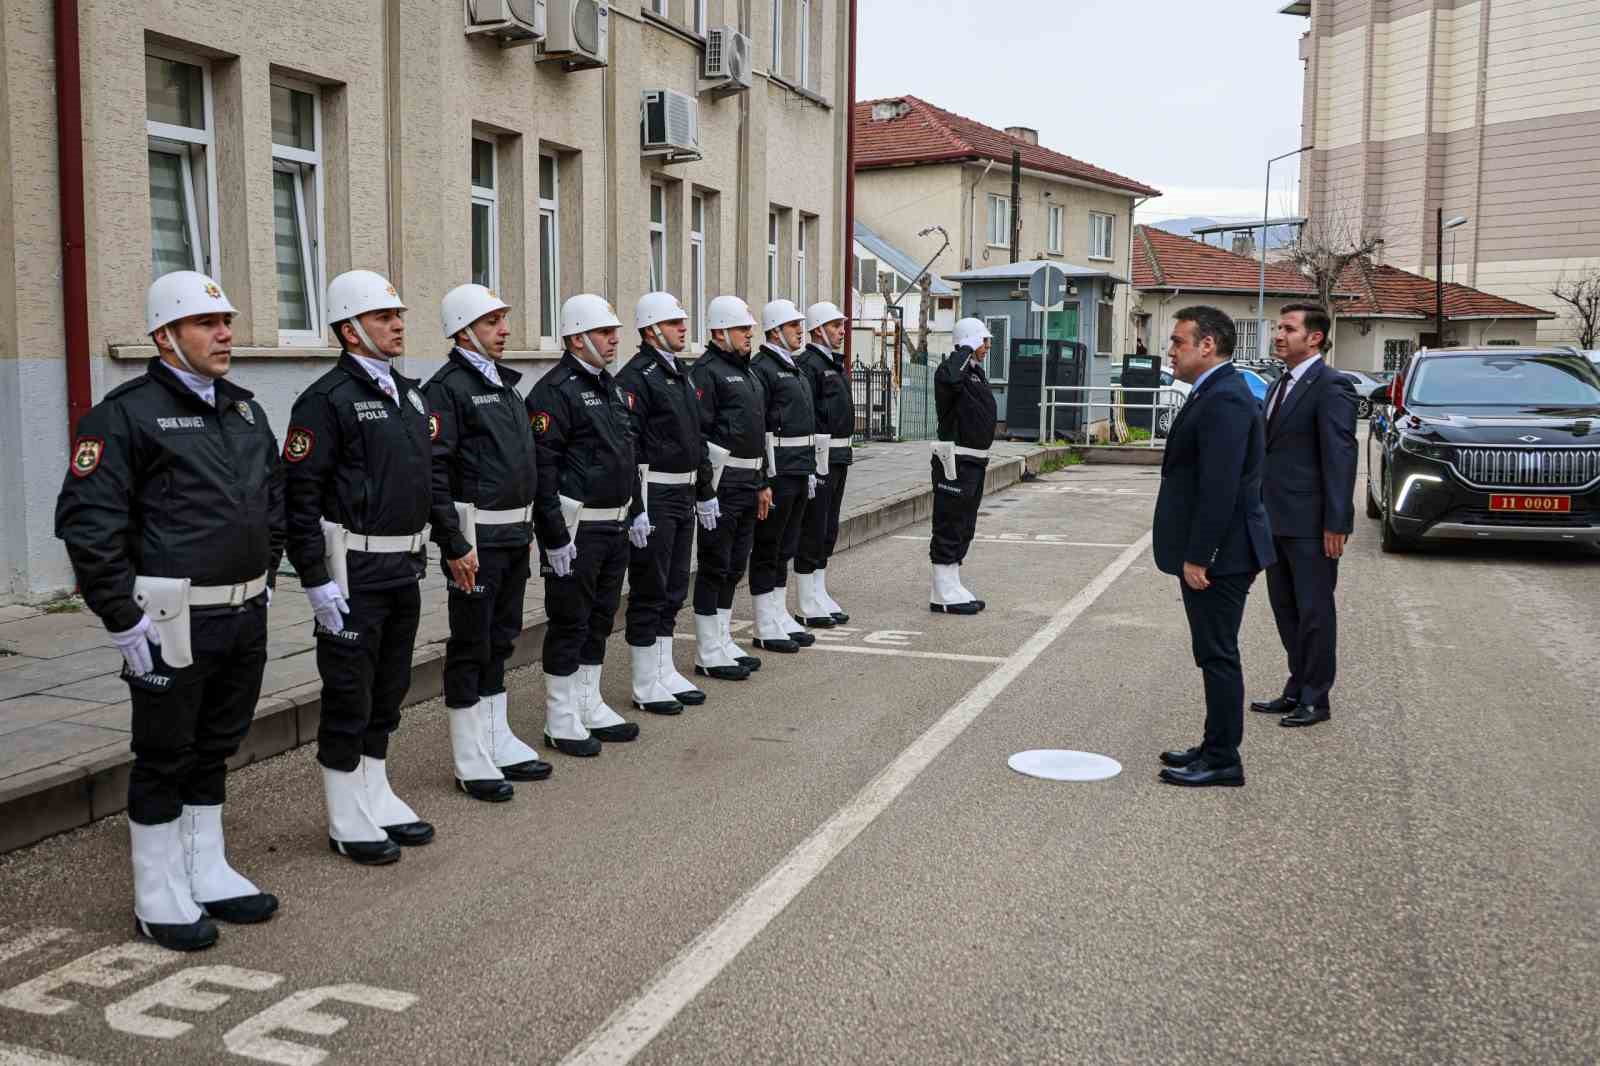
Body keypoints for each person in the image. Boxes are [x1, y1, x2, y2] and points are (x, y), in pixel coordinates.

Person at [56, 271, 281, 950]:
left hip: (242, 612)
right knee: (164, 754)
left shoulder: (244, 410)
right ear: (165, 336)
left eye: (227, 322)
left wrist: (265, 570)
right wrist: (122, 617)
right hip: (171, 621)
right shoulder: (124, 415)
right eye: (206, 325)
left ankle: (204, 867)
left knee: (215, 745)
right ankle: (157, 892)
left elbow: (271, 498)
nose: (224, 335)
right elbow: (87, 525)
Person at [285, 269, 434, 865]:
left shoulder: (409, 394)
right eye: (383, 317)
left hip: (403, 567)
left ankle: (375, 789)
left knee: (389, 687)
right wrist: (315, 581)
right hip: (353, 575)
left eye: (398, 315)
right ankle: (346, 811)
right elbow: (298, 498)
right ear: (349, 329)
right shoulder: (325, 401)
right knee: (350, 691)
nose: (397, 325)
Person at [424, 284, 551, 803]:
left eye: (504, 319)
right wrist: (452, 542)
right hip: (476, 541)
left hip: (512, 536)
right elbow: (434, 474)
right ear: (463, 330)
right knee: (471, 643)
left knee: (501, 637)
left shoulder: (503, 384)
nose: (504, 329)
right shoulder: (448, 389)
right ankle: (468, 753)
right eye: (493, 321)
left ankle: (496, 735)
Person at [1152, 306, 1275, 788]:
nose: (1171, 350)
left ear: (1208, 345)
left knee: (1218, 652)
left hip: (1225, 553)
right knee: (1211, 650)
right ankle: (1213, 743)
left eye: (1179, 341)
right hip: (1224, 549)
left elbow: (1220, 486)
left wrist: (1202, 555)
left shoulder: (1225, 398)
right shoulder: (1216, 390)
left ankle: (1224, 758)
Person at [526, 294, 646, 756]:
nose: (614, 340)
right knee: (569, 621)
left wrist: (635, 510)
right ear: (577, 338)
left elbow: (626, 455)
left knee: (600, 617)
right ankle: (560, 717)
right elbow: (546, 471)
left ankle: (587, 702)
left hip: (613, 526)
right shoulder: (554, 393)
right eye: (604, 332)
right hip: (579, 531)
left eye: (615, 332)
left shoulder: (611, 388)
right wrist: (554, 536)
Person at [1252, 303, 1357, 729]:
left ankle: (1317, 697)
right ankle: (1297, 685)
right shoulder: (1279, 383)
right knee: (1286, 609)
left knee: (1315, 612)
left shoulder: (1331, 386)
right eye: (1278, 327)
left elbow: (1340, 456)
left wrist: (1337, 521)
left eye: (1288, 328)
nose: (1278, 334)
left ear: (1314, 338)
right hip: (1275, 519)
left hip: (1312, 524)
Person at [618, 292, 717, 711]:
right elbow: (629, 446)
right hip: (654, 492)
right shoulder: (636, 377)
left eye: (683, 320)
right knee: (650, 587)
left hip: (683, 489)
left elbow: (696, 438)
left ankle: (662, 668)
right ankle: (644, 680)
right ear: (651, 329)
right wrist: (636, 507)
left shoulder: (681, 372)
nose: (683, 327)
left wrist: (706, 489)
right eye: (675, 322)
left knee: (675, 585)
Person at [687, 296, 768, 681]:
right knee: (715, 565)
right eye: (741, 330)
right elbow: (699, 434)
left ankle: (721, 640)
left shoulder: (747, 372)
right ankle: (707, 649)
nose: (748, 335)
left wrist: (762, 481)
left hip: (748, 481)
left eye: (749, 330)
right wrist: (706, 489)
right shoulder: (707, 372)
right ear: (719, 332)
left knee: (735, 566)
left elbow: (757, 432)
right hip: (723, 483)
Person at [746, 299, 819, 653]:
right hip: (777, 471)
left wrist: (808, 468)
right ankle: (763, 622)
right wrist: (764, 477)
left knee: (786, 546)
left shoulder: (793, 367)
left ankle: (778, 614)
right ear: (775, 331)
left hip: (798, 467)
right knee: (768, 546)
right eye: (793, 326)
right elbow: (759, 427)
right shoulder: (763, 368)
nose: (799, 331)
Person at [928, 318, 998, 614]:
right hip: (954, 459)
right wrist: (965, 349)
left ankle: (952, 583)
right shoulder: (949, 371)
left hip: (974, 459)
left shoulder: (975, 373)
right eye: (983, 341)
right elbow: (952, 379)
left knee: (965, 525)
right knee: (950, 523)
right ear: (969, 341)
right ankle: (942, 589)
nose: (987, 347)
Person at [792, 301, 854, 627]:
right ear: (818, 330)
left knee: (828, 528)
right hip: (821, 456)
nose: (841, 331)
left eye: (842, 326)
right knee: (813, 528)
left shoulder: (833, 362)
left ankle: (819, 590)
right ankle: (806, 599)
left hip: (840, 455)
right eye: (835, 326)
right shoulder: (809, 364)